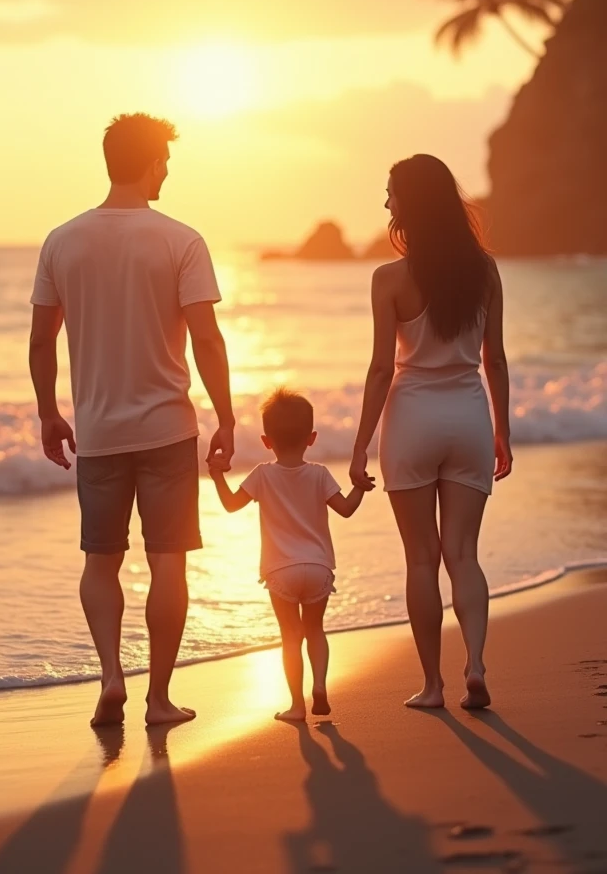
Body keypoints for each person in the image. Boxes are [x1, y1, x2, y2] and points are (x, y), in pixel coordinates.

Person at [29, 113, 235, 728]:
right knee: (169, 559)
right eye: (165, 160)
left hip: (98, 433)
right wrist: (225, 417)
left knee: (101, 558)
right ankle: (159, 698)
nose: (168, 170)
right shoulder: (180, 240)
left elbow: (42, 341)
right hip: (169, 428)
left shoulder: (61, 241)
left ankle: (111, 676)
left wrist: (48, 413)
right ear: (149, 162)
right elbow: (208, 339)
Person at [349, 154, 512, 711]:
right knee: (463, 554)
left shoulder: (388, 279)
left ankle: (433, 686)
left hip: (412, 418)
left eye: (391, 192)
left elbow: (378, 369)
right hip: (468, 415)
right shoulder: (484, 270)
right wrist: (502, 433)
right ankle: (477, 663)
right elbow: (496, 361)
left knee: (421, 558)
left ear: (411, 203)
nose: (386, 201)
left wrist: (360, 446)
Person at [209, 388, 370, 722]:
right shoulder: (320, 474)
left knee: (290, 637)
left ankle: (297, 705)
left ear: (267, 441)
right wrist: (360, 486)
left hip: (280, 570)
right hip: (318, 568)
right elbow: (347, 510)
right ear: (312, 438)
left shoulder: (262, 475)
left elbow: (230, 505)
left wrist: (216, 477)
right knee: (315, 630)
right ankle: (321, 686)